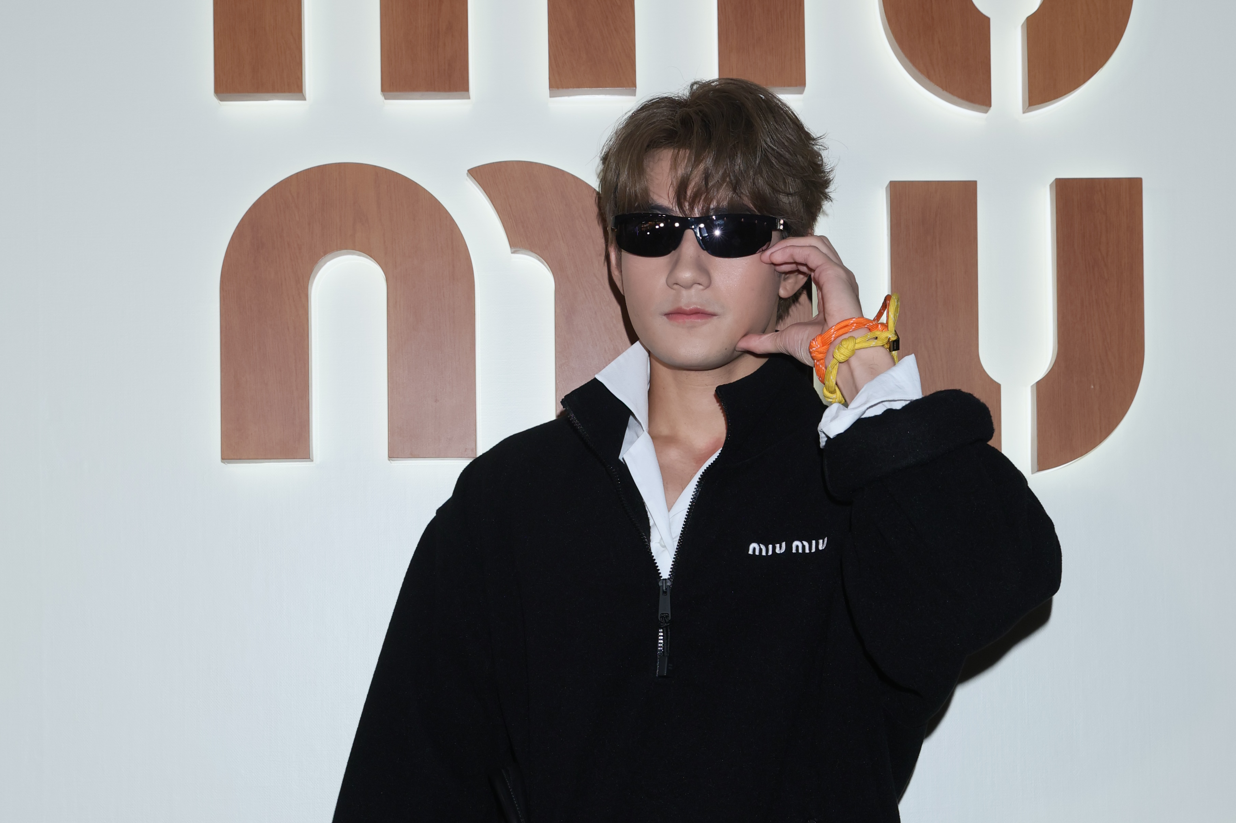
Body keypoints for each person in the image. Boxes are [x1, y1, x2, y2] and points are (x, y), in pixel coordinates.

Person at [333, 78, 1061, 822]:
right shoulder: (512, 498)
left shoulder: (861, 479)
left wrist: (863, 372)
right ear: (614, 260)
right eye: (652, 230)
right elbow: (406, 783)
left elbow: (987, 591)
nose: (686, 269)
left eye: (728, 230)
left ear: (793, 263)